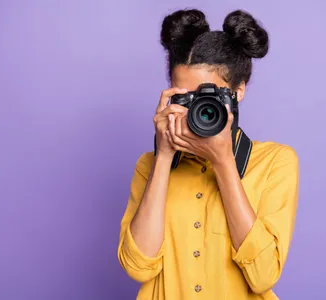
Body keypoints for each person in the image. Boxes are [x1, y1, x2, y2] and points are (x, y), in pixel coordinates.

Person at [117, 8, 299, 300]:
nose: (195, 110)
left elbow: (264, 275)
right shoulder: (149, 165)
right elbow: (139, 268)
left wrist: (223, 161)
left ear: (238, 91)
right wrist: (163, 157)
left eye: (207, 97)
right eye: (184, 97)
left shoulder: (275, 162)